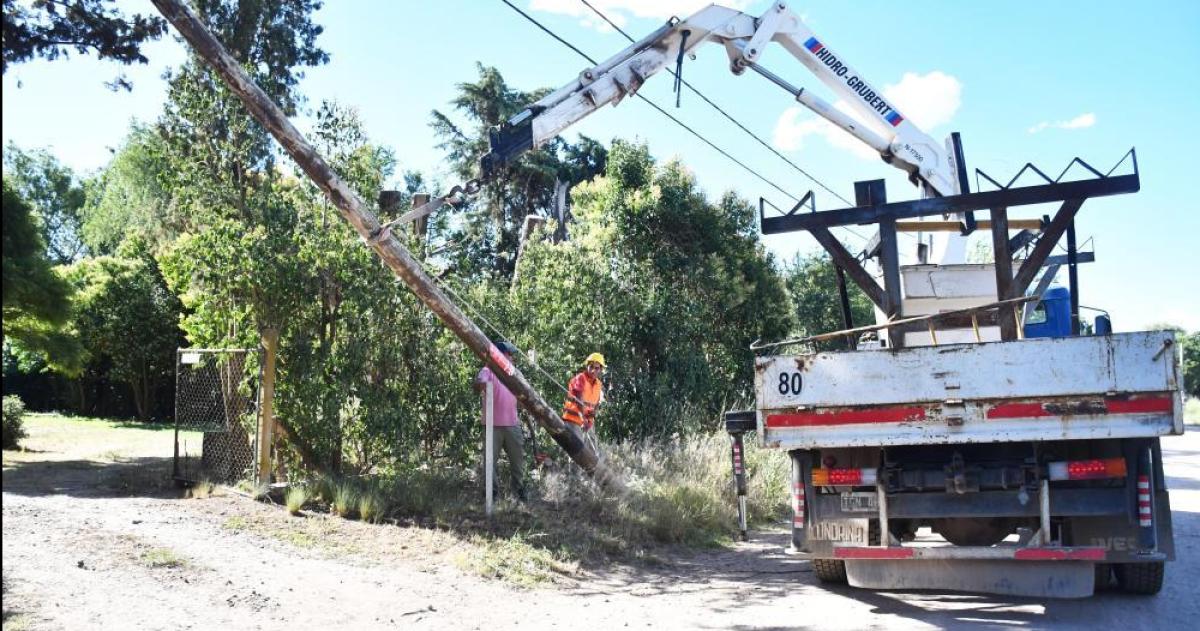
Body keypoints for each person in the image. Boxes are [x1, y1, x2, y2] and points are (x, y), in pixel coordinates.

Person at [473, 340, 527, 501]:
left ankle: (519, 493)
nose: (512, 357)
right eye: (509, 354)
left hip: (512, 425)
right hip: (492, 426)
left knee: (518, 463)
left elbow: (524, 395)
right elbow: (477, 384)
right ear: (500, 355)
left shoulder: (515, 373)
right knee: (489, 465)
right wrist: (481, 385)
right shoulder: (487, 370)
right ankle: (491, 495)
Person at [561, 352, 605, 445]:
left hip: (586, 423)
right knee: (577, 450)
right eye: (591, 367)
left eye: (596, 368)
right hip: (573, 420)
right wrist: (584, 419)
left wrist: (591, 418)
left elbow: (596, 404)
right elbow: (578, 400)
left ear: (600, 369)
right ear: (587, 366)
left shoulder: (598, 384)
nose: (593, 370)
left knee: (592, 453)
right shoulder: (580, 378)